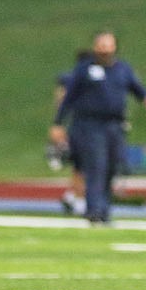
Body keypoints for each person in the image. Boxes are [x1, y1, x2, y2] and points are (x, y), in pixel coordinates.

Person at [48, 31, 146, 223]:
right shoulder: (85, 69)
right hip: (90, 124)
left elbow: (136, 87)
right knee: (96, 166)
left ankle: (105, 209)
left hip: (114, 125)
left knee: (111, 167)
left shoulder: (122, 69)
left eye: (108, 45)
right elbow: (69, 98)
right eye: (102, 45)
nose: (105, 50)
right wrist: (58, 122)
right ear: (95, 47)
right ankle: (94, 210)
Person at [52, 48, 92, 216]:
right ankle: (78, 199)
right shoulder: (79, 78)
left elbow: (59, 99)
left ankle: (72, 197)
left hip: (78, 125)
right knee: (82, 165)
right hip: (84, 126)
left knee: (81, 166)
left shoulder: (72, 79)